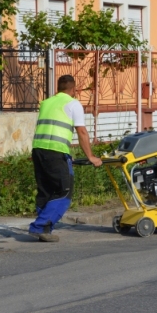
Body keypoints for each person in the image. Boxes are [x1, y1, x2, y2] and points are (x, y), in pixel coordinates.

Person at [29, 75, 102, 242]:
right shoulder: (73, 104)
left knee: (46, 190)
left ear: (58, 87)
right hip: (56, 151)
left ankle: (45, 229)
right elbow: (81, 131)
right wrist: (90, 156)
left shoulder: (46, 102)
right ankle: (40, 227)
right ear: (73, 89)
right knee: (64, 190)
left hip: (38, 150)